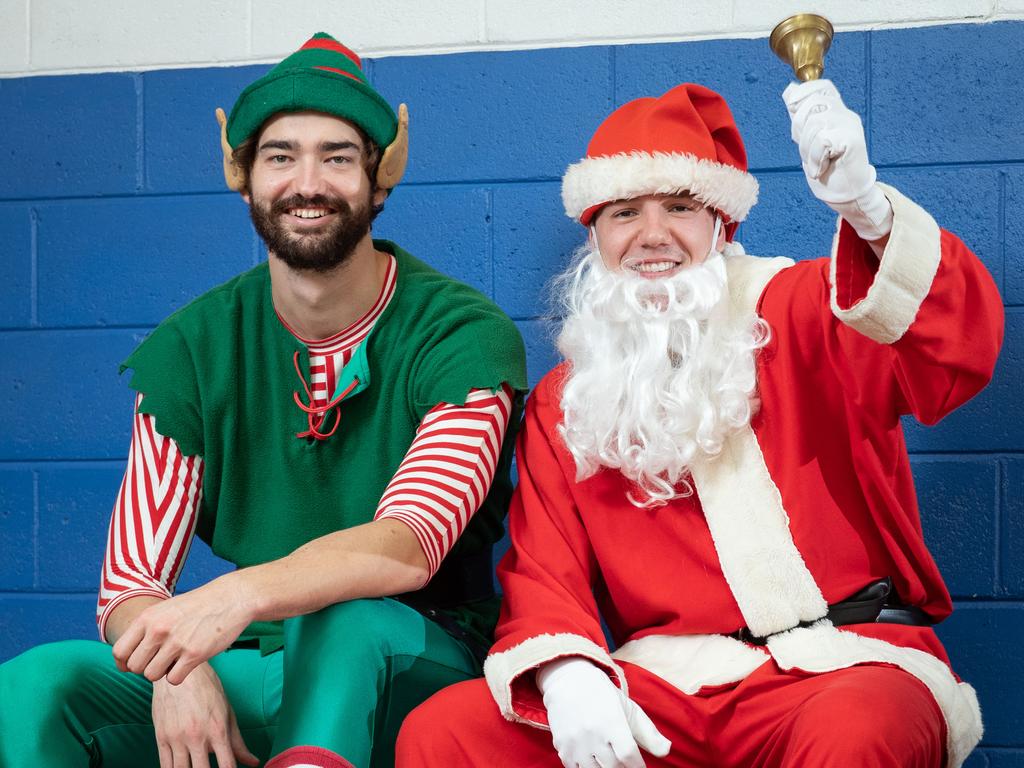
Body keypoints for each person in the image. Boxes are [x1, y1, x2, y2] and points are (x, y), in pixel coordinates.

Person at [396, 80, 1002, 768]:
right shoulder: (568, 399)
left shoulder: (804, 307)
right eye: (625, 212)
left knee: (858, 729)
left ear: (722, 225)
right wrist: (566, 674)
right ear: (595, 234)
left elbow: (952, 348)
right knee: (447, 729)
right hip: (667, 693)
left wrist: (868, 213)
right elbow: (542, 573)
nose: (652, 236)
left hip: (843, 664)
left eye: (680, 207)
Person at [0, 33, 526, 768]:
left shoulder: (462, 334)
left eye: (337, 157)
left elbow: (409, 545)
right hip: (255, 660)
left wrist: (235, 597)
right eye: (280, 156)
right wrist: (174, 670)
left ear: (378, 180)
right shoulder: (193, 345)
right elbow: (129, 585)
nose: (307, 182)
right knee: (36, 685)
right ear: (244, 178)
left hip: (413, 658)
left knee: (340, 621)